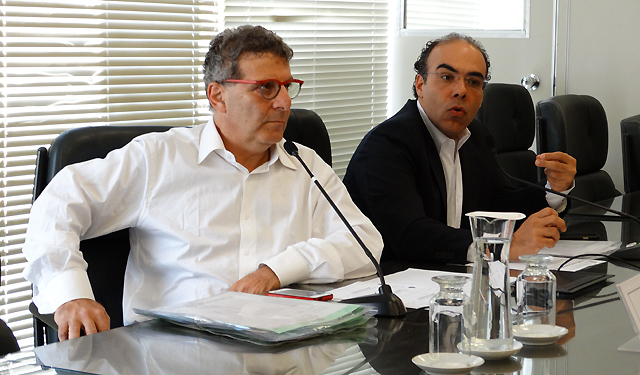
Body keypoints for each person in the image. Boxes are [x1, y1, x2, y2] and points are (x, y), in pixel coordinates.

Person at [22, 25, 383, 341]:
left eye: (288, 86)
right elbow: (58, 203)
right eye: (267, 88)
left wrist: (276, 270)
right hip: (172, 351)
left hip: (285, 348)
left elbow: (365, 245)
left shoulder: (304, 162)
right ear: (217, 96)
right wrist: (70, 294)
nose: (284, 103)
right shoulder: (159, 157)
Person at [343, 33, 576, 264]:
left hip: (451, 278)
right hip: (390, 284)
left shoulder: (475, 137)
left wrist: (554, 190)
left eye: (474, 82)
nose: (461, 91)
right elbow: (409, 234)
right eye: (446, 77)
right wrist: (497, 248)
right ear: (420, 84)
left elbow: (501, 203)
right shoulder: (386, 145)